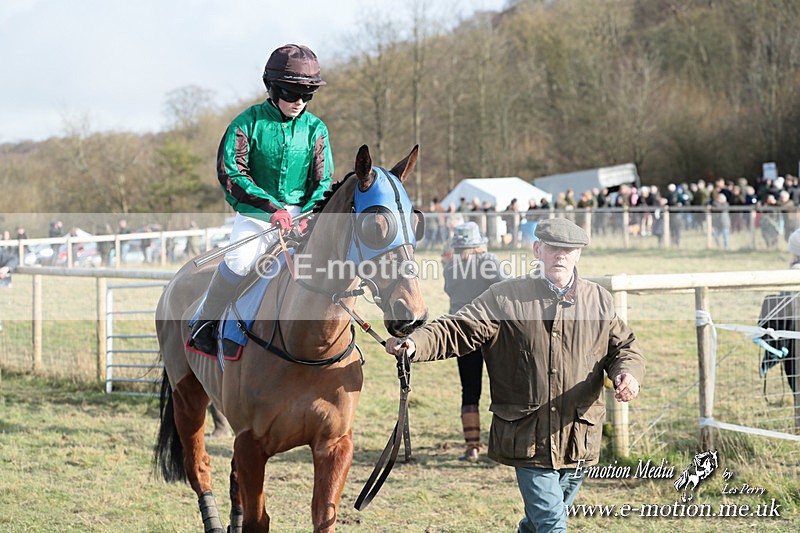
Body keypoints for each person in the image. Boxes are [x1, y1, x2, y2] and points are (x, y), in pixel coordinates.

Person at [385, 217, 645, 532]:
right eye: (553, 248)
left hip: (579, 436)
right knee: (552, 523)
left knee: (542, 521)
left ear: (577, 255)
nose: (560, 255)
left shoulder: (598, 300)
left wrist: (627, 373)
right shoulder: (506, 297)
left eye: (568, 250)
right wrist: (416, 342)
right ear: (538, 250)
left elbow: (624, 348)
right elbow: (460, 326)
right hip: (528, 436)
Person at [190, 44, 333, 354]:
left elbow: (322, 181)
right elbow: (232, 174)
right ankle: (206, 322)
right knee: (239, 261)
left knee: (330, 268)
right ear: (272, 87)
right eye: (292, 93)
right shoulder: (246, 123)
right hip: (257, 213)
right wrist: (272, 210)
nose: (299, 102)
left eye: (307, 95)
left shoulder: (317, 129)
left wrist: (309, 214)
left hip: (305, 215)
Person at [443, 222, 508, 461]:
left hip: (462, 333)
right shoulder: (488, 261)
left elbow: (451, 292)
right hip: (491, 332)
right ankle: (502, 445)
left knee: (469, 390)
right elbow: (506, 288)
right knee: (501, 389)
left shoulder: (450, 267)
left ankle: (472, 447)